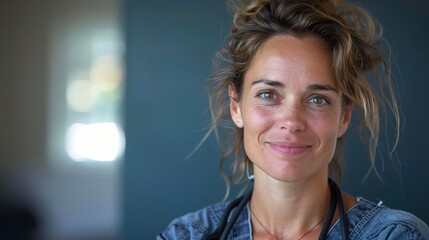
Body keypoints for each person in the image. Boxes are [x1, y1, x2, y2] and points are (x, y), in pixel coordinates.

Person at [158, 0, 429, 239]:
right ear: (236, 106)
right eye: (268, 94)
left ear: (344, 116)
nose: (291, 121)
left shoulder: (394, 235)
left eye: (317, 99)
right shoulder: (186, 235)